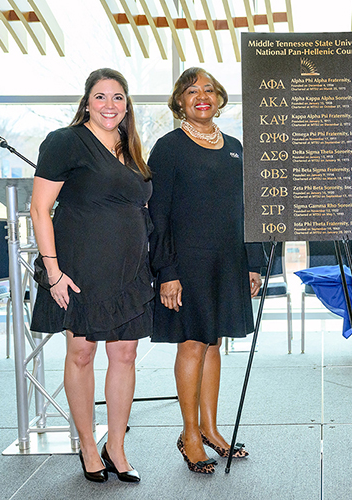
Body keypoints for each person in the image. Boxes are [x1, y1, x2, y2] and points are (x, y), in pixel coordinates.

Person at [30, 68, 154, 483]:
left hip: (130, 270)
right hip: (78, 269)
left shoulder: (131, 145)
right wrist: (53, 273)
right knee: (81, 354)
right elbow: (39, 210)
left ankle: (116, 446)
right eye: (100, 97)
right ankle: (88, 445)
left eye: (118, 97)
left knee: (126, 355)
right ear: (86, 102)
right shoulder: (65, 142)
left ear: (127, 104)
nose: (109, 105)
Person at [148, 67, 264, 474]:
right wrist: (166, 271)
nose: (202, 96)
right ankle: (190, 434)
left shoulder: (235, 147)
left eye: (210, 90)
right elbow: (157, 215)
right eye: (193, 90)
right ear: (179, 99)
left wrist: (252, 263)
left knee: (214, 343)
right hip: (186, 264)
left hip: (228, 261)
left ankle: (212, 430)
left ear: (220, 98)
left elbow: (247, 211)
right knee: (193, 344)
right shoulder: (168, 148)